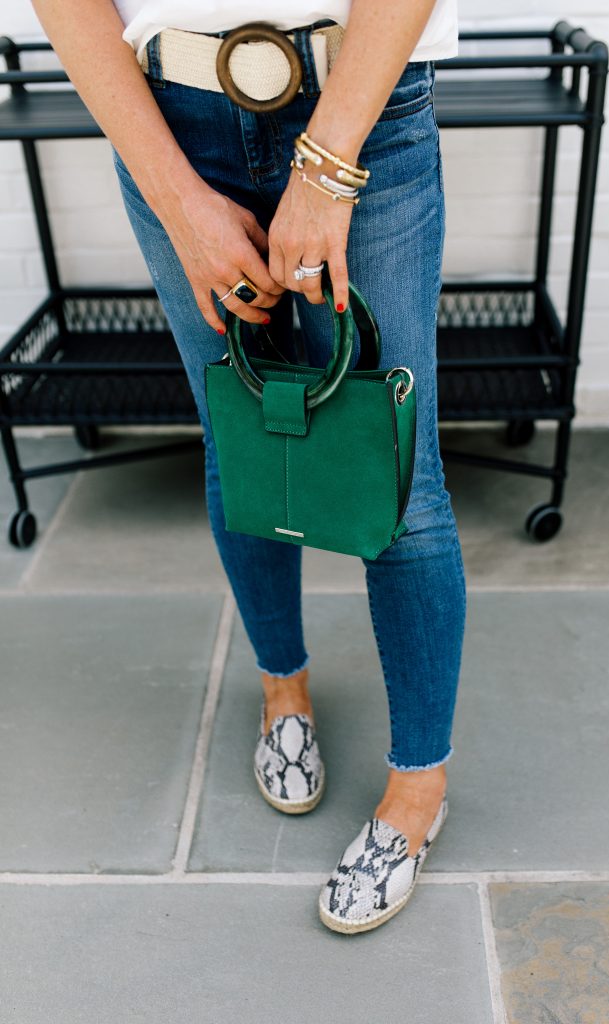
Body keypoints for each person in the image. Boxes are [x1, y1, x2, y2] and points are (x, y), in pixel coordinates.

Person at [32, 0, 466, 933]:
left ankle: (417, 791)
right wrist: (178, 201)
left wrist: (326, 168)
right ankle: (282, 693)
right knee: (244, 442)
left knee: (401, 476)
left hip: (362, 107)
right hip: (171, 125)